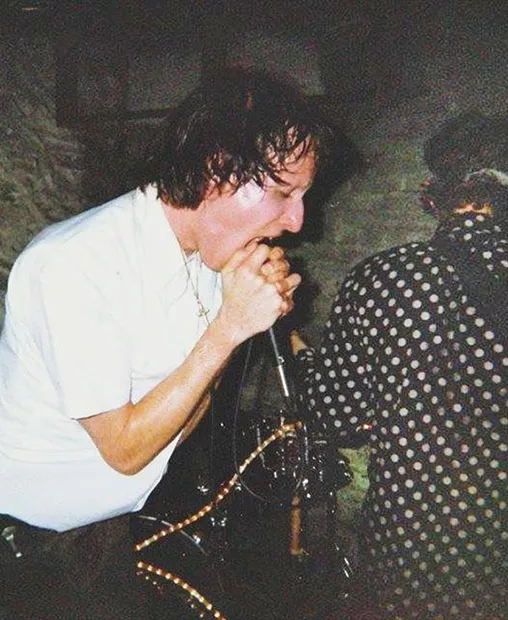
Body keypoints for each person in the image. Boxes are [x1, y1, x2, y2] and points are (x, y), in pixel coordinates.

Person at [0, 67, 333, 618]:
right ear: (217, 171)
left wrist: (239, 316)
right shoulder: (75, 264)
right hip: (25, 555)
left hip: (103, 532)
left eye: (303, 196)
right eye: (282, 192)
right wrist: (230, 327)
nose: (297, 221)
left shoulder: (206, 258)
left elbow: (183, 416)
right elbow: (126, 451)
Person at [291, 112, 508, 619]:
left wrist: (304, 355)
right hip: (503, 566)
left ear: (434, 194)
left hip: (397, 557)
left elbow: (335, 420)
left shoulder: (377, 279)